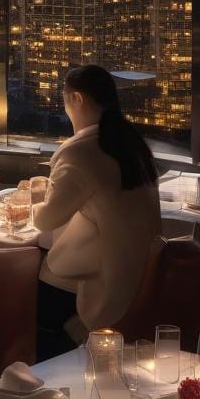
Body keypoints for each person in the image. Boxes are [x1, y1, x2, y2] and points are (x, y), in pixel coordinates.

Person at [33, 64, 161, 358]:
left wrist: (36, 198)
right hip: (141, 281)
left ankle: (34, 381)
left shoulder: (81, 151)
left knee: (27, 294)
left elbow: (47, 219)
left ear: (76, 99)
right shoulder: (131, 143)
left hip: (107, 289)